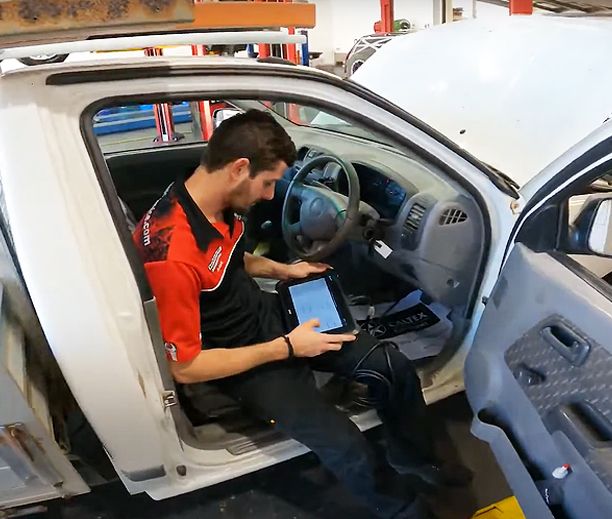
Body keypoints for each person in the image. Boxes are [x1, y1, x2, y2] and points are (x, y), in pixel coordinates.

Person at [133, 109, 446, 519]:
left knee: (392, 368)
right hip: (241, 360)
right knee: (346, 445)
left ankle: (414, 460)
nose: (268, 195)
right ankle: (404, 509)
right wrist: (287, 348)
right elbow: (188, 368)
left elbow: (226, 259)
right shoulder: (171, 254)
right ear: (239, 169)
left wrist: (286, 270)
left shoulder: (201, 199)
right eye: (267, 184)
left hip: (269, 317)